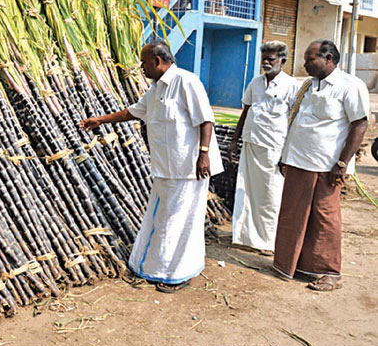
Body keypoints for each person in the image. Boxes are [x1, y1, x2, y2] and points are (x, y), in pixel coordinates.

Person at [80, 40, 223, 292]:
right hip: (166, 168)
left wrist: (203, 154)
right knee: (164, 218)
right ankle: (157, 267)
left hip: (189, 168)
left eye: (144, 63)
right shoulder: (156, 88)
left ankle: (179, 274)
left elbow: (206, 119)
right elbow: (133, 112)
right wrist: (100, 120)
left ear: (158, 61)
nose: (141, 68)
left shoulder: (186, 82)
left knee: (182, 220)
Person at [273, 40, 369, 291]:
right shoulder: (306, 85)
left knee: (325, 217)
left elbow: (359, 124)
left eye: (309, 59)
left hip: (326, 165)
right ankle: (293, 265)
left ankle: (330, 272)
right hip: (298, 161)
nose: (304, 64)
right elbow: (295, 122)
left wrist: (342, 163)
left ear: (328, 59)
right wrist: (285, 156)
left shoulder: (350, 86)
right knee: (293, 215)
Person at [228, 41, 300, 255]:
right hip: (251, 143)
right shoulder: (255, 83)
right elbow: (246, 111)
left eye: (271, 59)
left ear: (283, 61)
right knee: (246, 191)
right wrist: (234, 139)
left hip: (274, 148)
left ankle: (268, 242)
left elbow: (295, 121)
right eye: (264, 58)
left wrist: (288, 154)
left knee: (270, 195)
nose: (266, 62)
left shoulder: (291, 86)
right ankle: (244, 237)